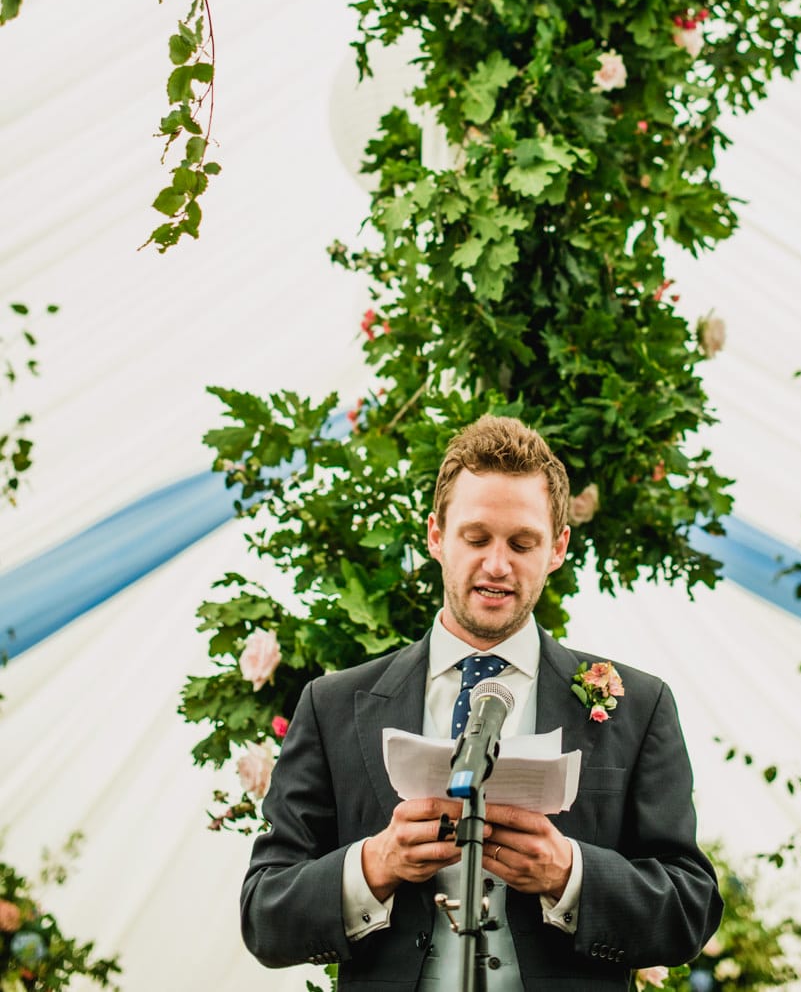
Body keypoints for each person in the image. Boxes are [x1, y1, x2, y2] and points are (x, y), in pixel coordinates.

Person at [241, 414, 722, 988]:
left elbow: (690, 910)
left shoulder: (639, 707)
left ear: (558, 548)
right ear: (436, 536)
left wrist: (570, 875)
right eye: (476, 538)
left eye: (522, 543)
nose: (497, 565)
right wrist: (377, 863)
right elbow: (264, 914)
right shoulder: (333, 705)